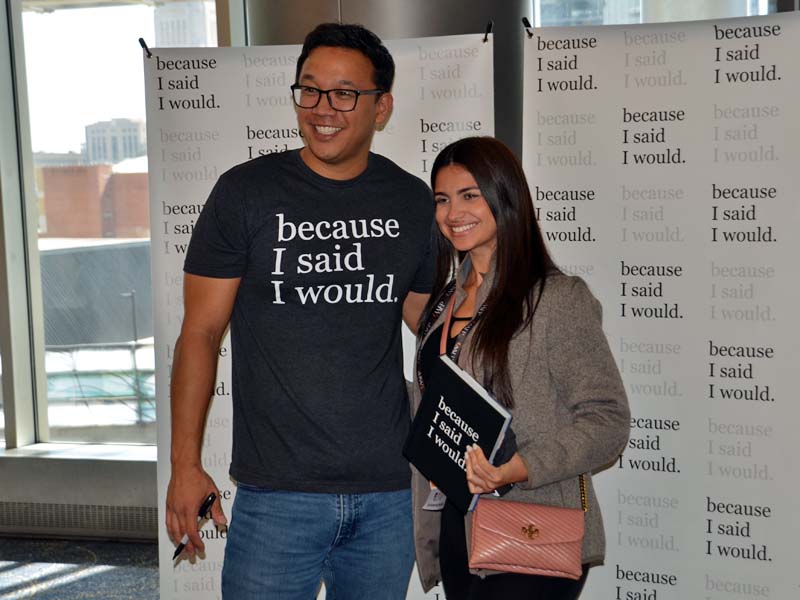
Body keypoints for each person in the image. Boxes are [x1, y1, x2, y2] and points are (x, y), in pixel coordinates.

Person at [165, 23, 434, 599]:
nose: (322, 108)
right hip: (276, 494)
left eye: (344, 93)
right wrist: (185, 464)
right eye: (308, 90)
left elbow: (433, 329)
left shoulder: (412, 201)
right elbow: (201, 333)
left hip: (389, 490)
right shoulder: (244, 193)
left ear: (381, 106)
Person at [410, 136, 630, 599]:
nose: (453, 213)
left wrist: (515, 468)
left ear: (505, 196)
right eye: (442, 200)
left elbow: (607, 421)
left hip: (533, 526)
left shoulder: (556, 299)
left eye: (470, 195)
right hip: (457, 528)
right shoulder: (444, 302)